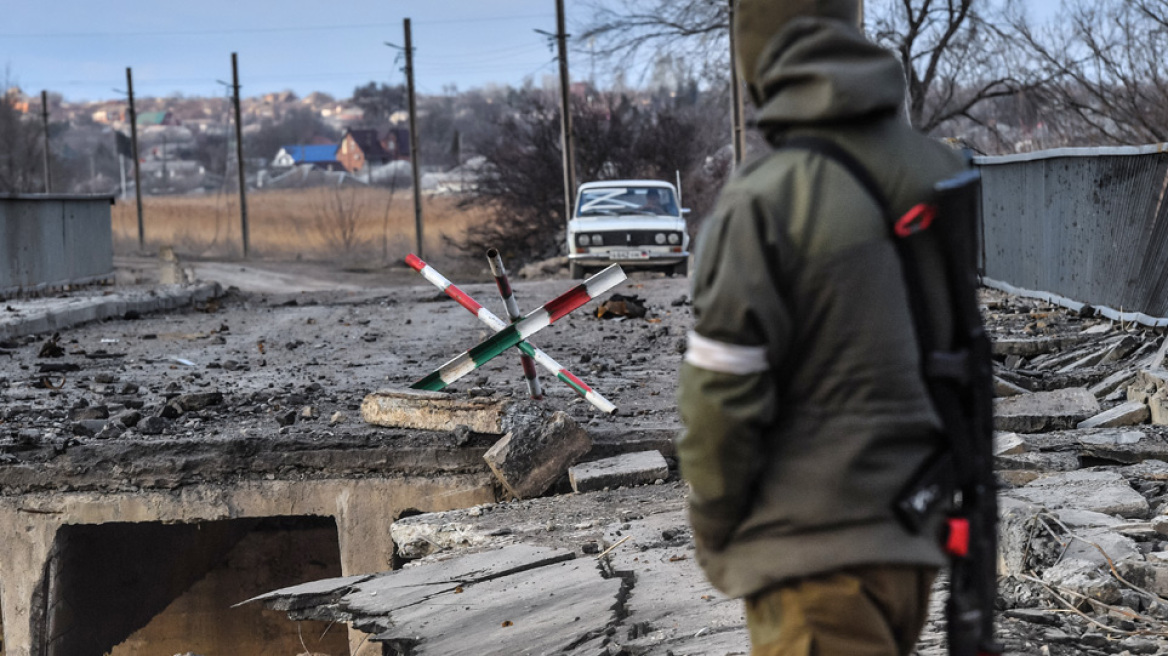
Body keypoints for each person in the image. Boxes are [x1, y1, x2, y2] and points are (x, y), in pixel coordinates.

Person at [676, 1, 968, 654]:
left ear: (755, 51)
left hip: (812, 564)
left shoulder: (765, 197)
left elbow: (720, 399)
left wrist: (714, 523)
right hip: (911, 542)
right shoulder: (938, 169)